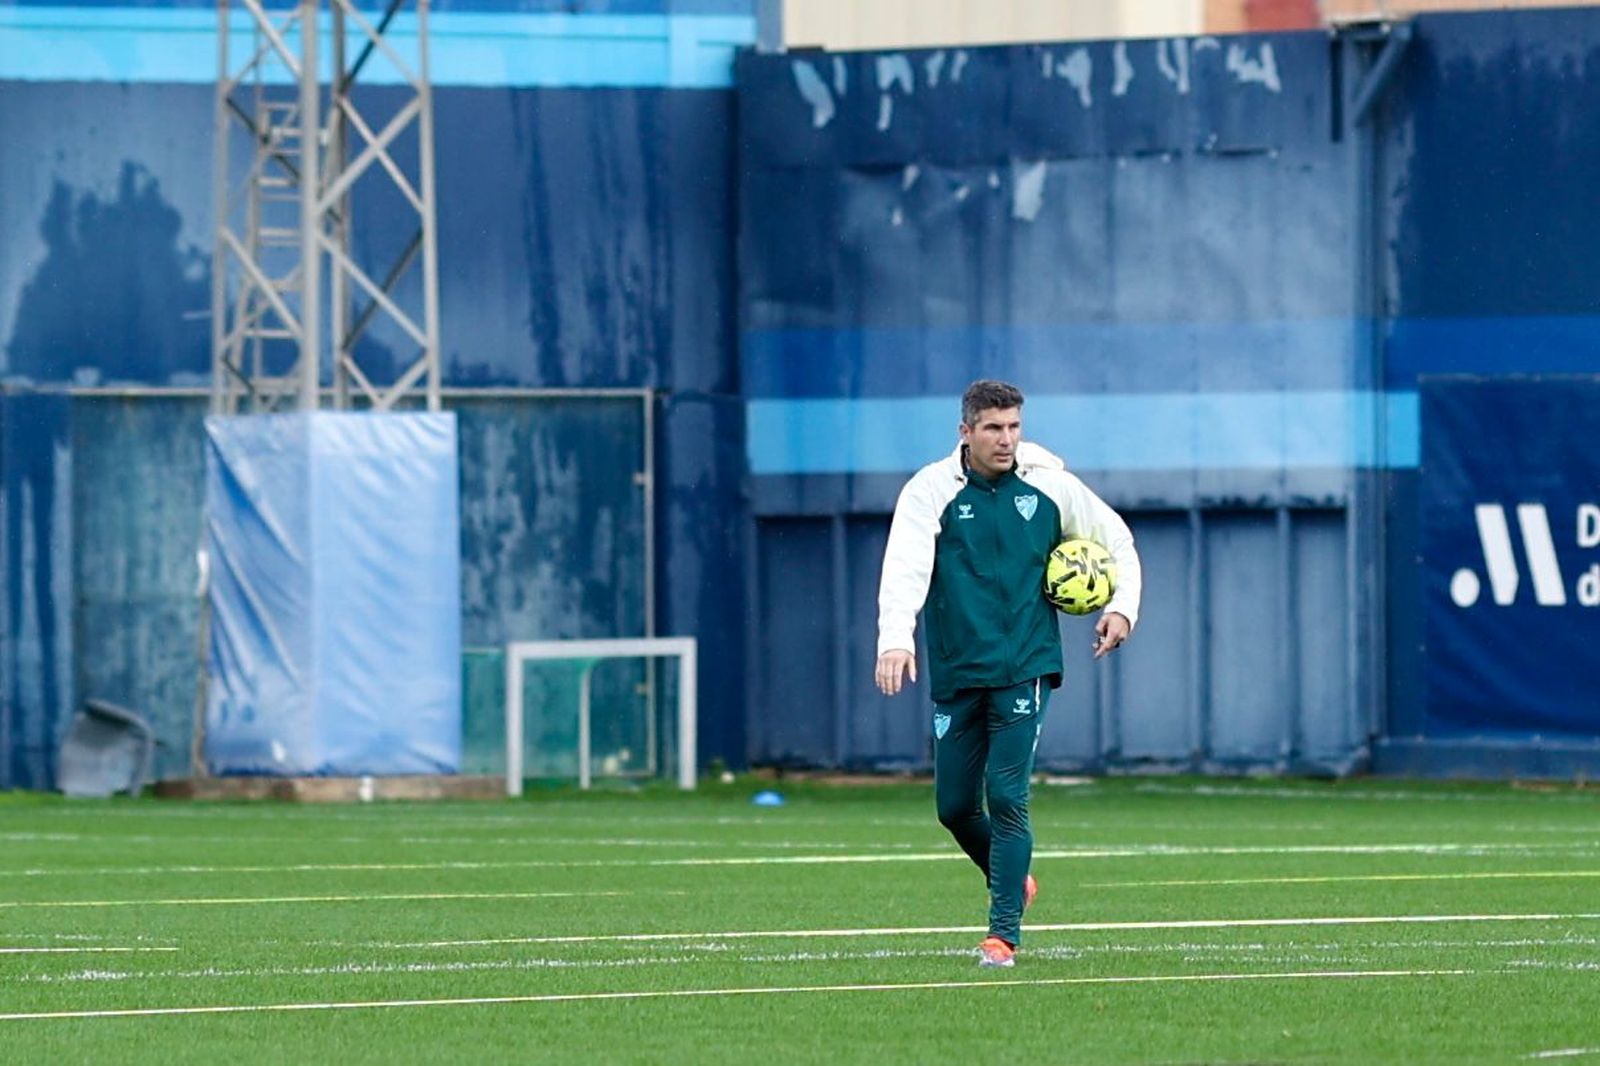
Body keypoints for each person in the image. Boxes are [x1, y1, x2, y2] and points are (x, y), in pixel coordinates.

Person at [874, 379, 1142, 968]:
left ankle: (1002, 935)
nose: (1006, 440)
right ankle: (1013, 876)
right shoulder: (929, 491)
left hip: (1026, 664)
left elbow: (1116, 539)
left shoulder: (1050, 484)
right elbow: (905, 569)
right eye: (993, 428)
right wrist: (895, 639)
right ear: (965, 432)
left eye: (1014, 427)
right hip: (957, 668)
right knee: (954, 808)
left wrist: (1122, 606)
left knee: (1008, 794)